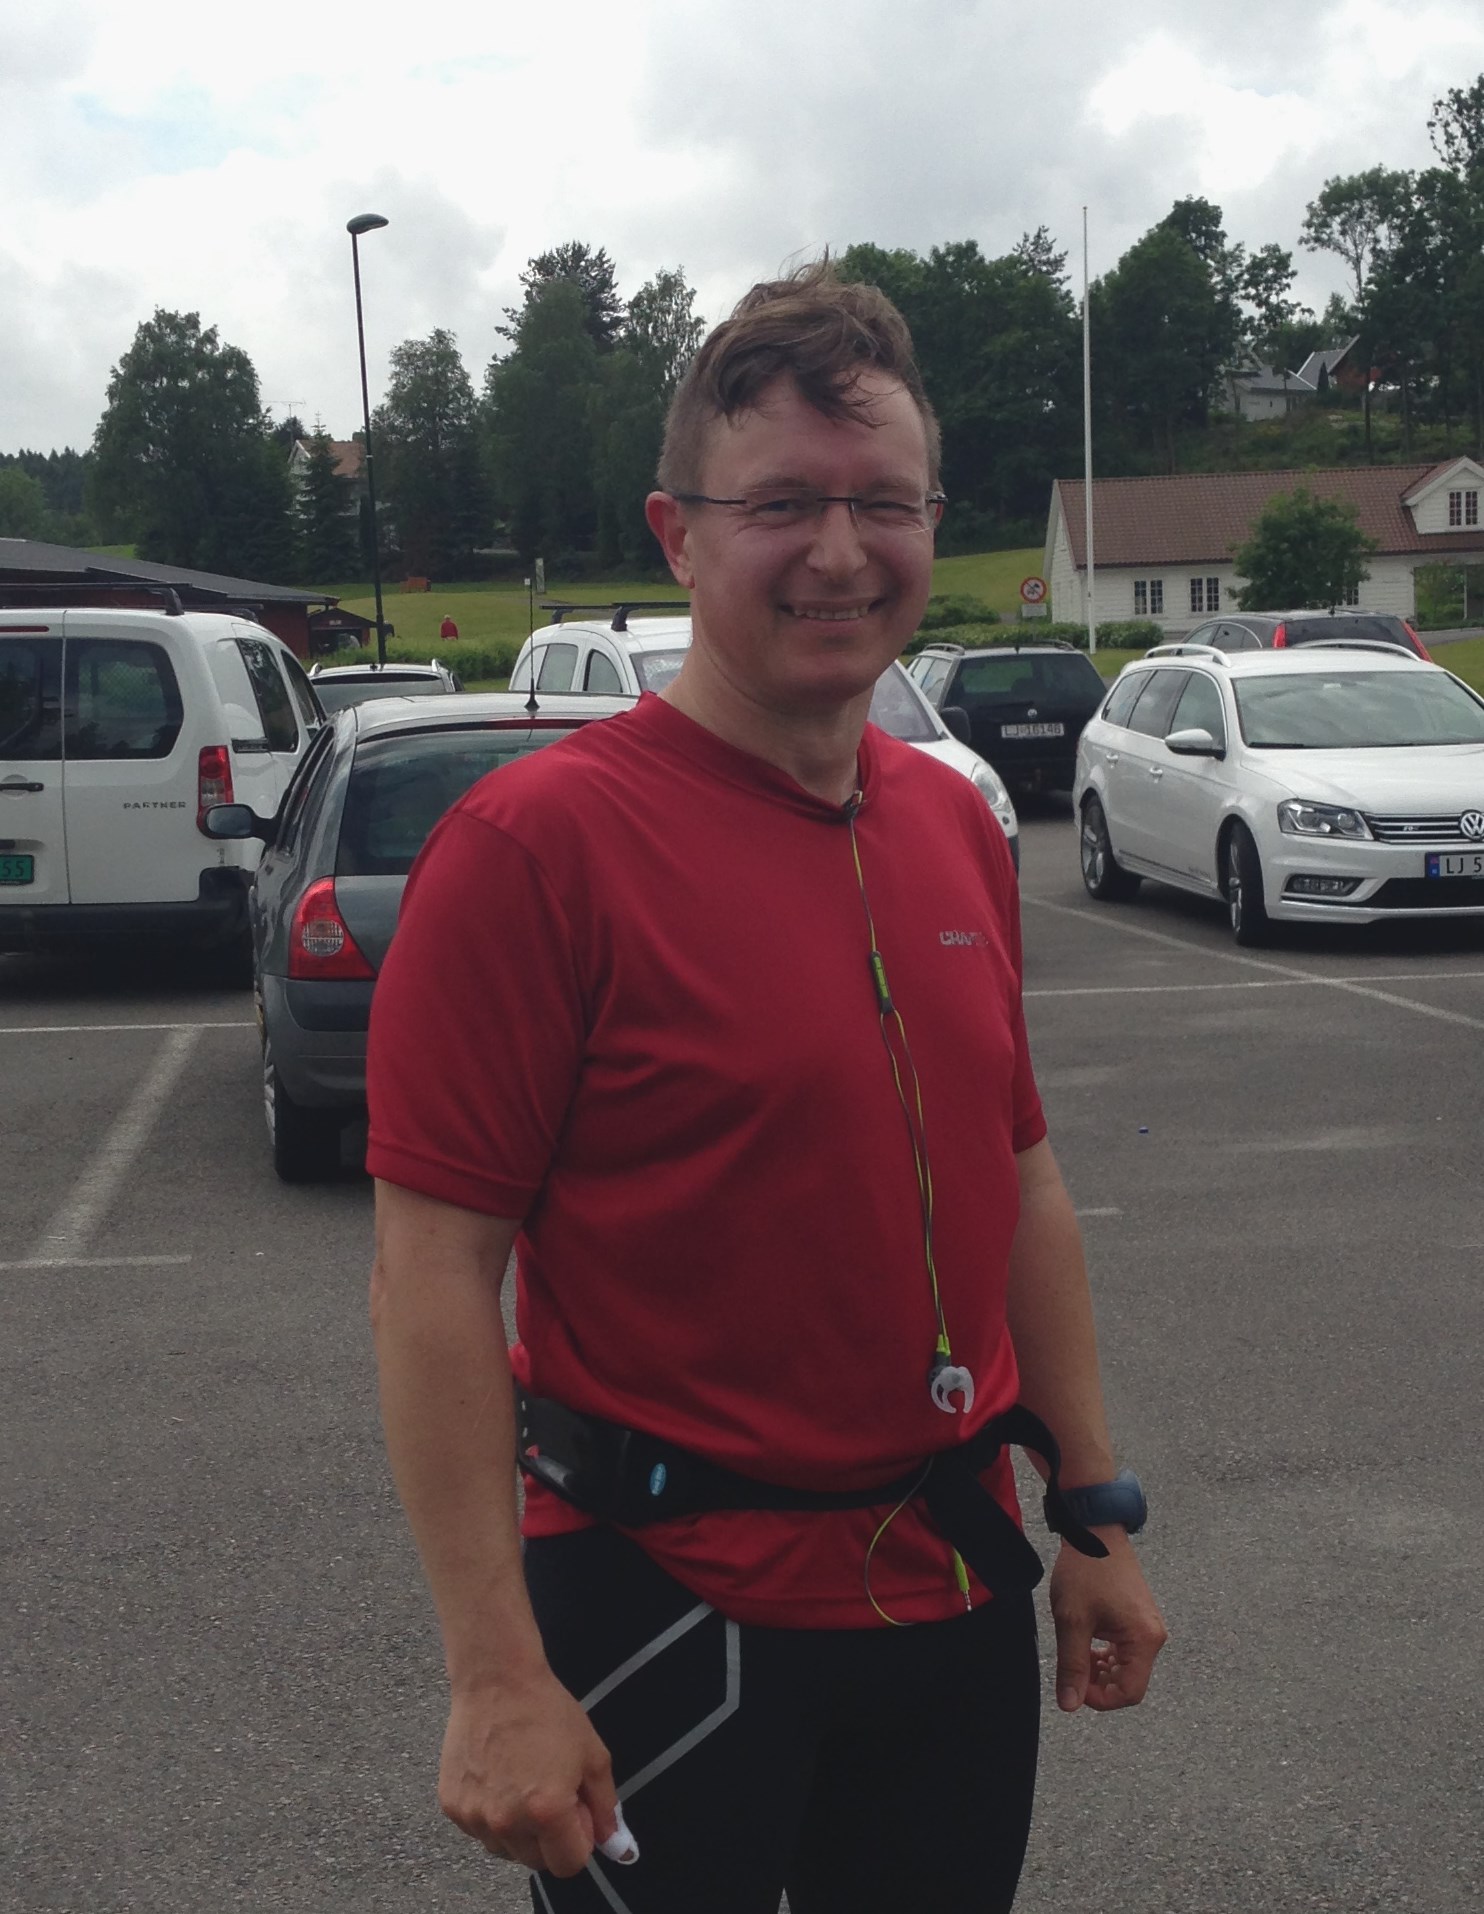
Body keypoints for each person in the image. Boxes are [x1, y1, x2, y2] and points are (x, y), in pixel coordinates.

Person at [367, 262, 1166, 1914]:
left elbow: (1017, 1174)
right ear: (678, 534)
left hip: (950, 1584)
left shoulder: (953, 822)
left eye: (885, 502)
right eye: (782, 503)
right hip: (666, 1607)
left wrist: (1091, 1506)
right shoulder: (534, 849)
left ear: (933, 521)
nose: (841, 550)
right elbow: (432, 1268)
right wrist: (494, 1669)